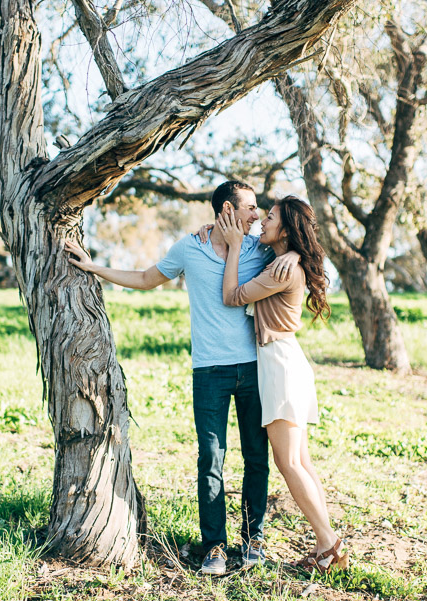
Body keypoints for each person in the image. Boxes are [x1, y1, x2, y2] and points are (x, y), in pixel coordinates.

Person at [64, 181, 299, 575]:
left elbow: (295, 249)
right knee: (211, 458)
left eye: (260, 210)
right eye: (251, 207)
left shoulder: (260, 247)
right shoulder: (190, 247)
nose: (257, 215)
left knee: (257, 456)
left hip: (256, 366)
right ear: (228, 209)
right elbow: (145, 278)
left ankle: (254, 537)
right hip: (208, 370)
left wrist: (293, 255)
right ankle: (215, 546)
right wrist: (92, 266)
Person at [216, 195, 345, 572]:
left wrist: (241, 248)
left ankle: (329, 544)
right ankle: (327, 543)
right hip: (286, 361)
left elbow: (231, 296)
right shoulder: (283, 261)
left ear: (286, 229)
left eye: (269, 217)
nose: (262, 221)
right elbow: (239, 241)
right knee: (300, 460)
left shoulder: (284, 269)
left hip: (279, 364)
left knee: (288, 461)